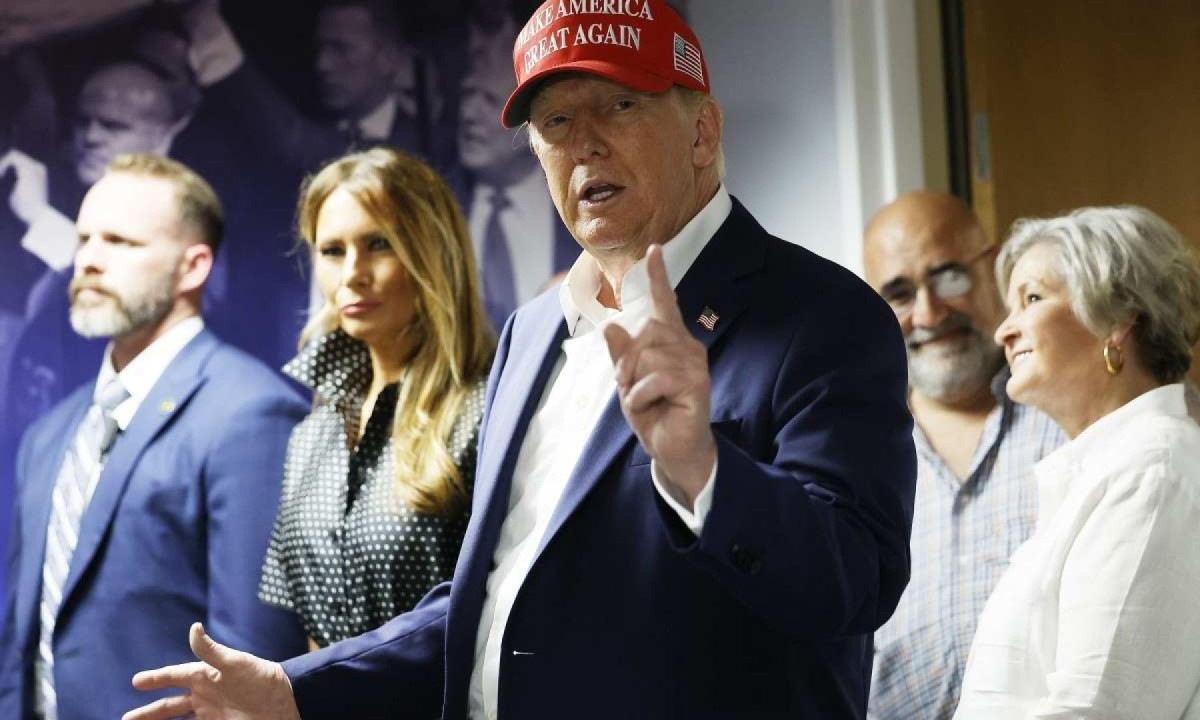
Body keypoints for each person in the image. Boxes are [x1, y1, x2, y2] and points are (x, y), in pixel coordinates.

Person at [123, 2, 916, 718]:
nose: (585, 143)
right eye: (555, 121)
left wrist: (705, 472)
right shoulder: (533, 331)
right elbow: (493, 595)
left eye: (622, 105)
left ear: (704, 130)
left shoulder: (825, 316)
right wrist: (299, 686)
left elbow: (854, 586)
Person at [0, 152, 307, 720]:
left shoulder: (251, 414)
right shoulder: (49, 434)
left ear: (192, 267)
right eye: (85, 238)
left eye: (120, 242)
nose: (88, 260)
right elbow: (21, 641)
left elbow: (252, 660)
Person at [951, 206, 1200, 718]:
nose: (1004, 332)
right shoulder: (1110, 471)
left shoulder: (1152, 471)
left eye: (1032, 299)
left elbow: (1096, 710)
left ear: (1118, 319)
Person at [257, 147, 493, 649]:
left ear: (432, 252)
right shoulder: (311, 434)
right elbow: (311, 635)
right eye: (332, 251)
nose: (352, 274)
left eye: (379, 244)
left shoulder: (485, 413)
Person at [862, 191, 1064, 720]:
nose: (930, 313)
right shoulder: (851, 453)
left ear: (996, 266)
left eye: (950, 277)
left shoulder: (1074, 417)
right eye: (899, 294)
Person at [454, 10, 578, 331]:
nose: (469, 113)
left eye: (487, 99)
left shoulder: (590, 200)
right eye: (467, 95)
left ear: (533, 121)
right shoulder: (437, 207)